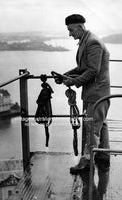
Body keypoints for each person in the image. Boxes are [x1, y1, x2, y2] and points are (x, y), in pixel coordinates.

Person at [60, 14, 110, 174]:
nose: (69, 34)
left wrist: (73, 82)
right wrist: (65, 75)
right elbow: (83, 68)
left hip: (97, 93)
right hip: (97, 92)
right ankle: (103, 156)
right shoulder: (86, 40)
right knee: (100, 124)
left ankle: (87, 162)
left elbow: (93, 71)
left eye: (71, 30)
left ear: (80, 27)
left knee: (91, 126)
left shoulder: (92, 43)